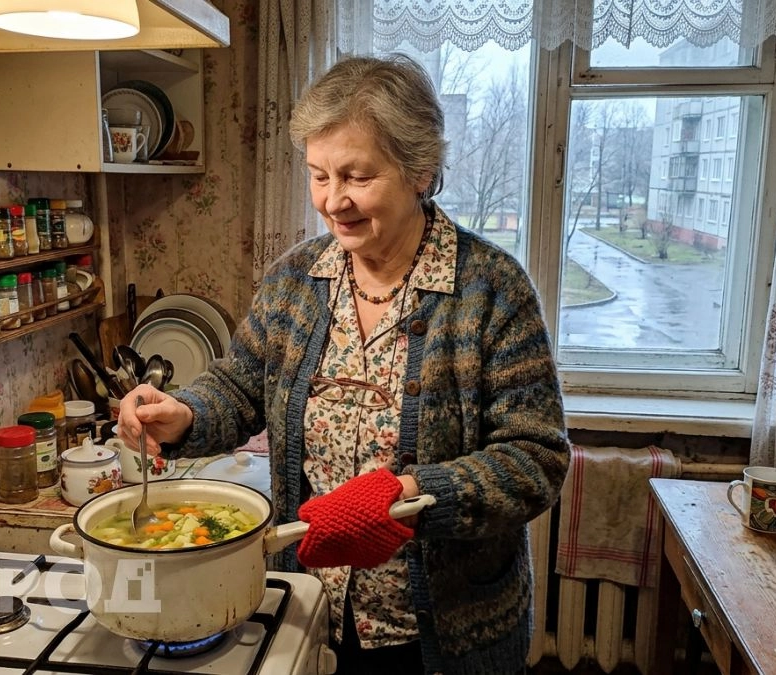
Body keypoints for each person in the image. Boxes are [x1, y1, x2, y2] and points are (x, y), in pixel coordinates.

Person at [118, 54, 570, 675]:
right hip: (306, 612)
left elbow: (535, 457)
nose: (334, 202)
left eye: (357, 177)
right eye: (319, 175)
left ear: (421, 171)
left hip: (443, 638)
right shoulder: (296, 279)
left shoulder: (491, 289)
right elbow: (239, 382)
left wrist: (413, 495)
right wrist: (186, 413)